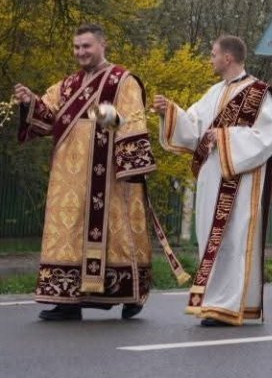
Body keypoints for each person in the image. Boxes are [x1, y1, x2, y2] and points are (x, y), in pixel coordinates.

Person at [14, 24, 164, 322]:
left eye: (86, 46)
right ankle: (67, 300)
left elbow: (131, 122)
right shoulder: (67, 85)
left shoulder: (123, 80)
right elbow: (47, 118)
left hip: (107, 176)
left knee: (118, 236)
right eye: (77, 47)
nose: (81, 52)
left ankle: (130, 294)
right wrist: (31, 101)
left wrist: (106, 119)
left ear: (102, 45)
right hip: (67, 177)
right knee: (68, 234)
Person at [154, 35, 272, 326]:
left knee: (233, 241)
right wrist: (169, 111)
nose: (210, 59)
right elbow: (193, 126)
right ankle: (212, 302)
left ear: (228, 57)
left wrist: (224, 137)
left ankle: (228, 305)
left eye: (213, 54)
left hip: (241, 180)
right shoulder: (213, 92)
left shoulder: (258, 93)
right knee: (210, 238)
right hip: (211, 179)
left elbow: (268, 137)